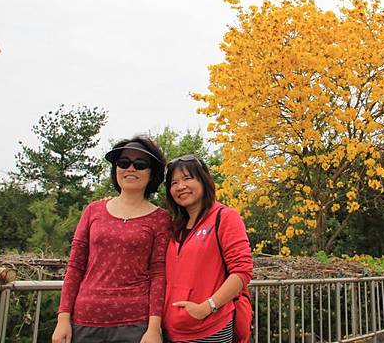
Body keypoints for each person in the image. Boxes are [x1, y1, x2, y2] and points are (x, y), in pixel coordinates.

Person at [52, 136, 171, 343]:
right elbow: (75, 266)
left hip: (136, 323)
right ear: (115, 169)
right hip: (85, 319)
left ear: (152, 173)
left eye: (140, 164)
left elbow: (158, 274)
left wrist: (154, 328)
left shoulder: (161, 219)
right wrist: (63, 319)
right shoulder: (93, 211)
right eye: (123, 163)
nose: (130, 169)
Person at [162, 155, 252, 343]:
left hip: (209, 328)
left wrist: (206, 307)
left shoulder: (225, 217)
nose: (180, 187)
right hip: (170, 330)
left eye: (188, 178)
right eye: (174, 182)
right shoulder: (173, 225)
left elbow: (242, 271)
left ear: (204, 180)